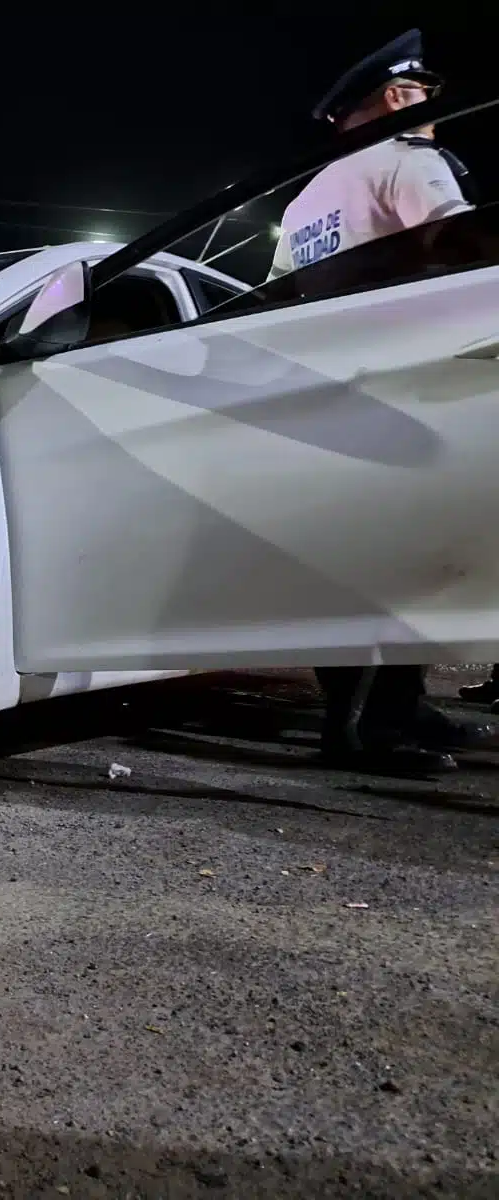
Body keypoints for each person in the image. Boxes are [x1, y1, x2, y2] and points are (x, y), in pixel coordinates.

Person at [273, 30, 484, 771]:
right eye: (421, 95)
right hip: (411, 385)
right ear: (399, 98)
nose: (429, 109)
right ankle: (376, 726)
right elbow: (460, 252)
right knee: (414, 559)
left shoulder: (303, 203)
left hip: (324, 396)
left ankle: (376, 711)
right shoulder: (409, 161)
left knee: (346, 562)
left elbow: (272, 306)